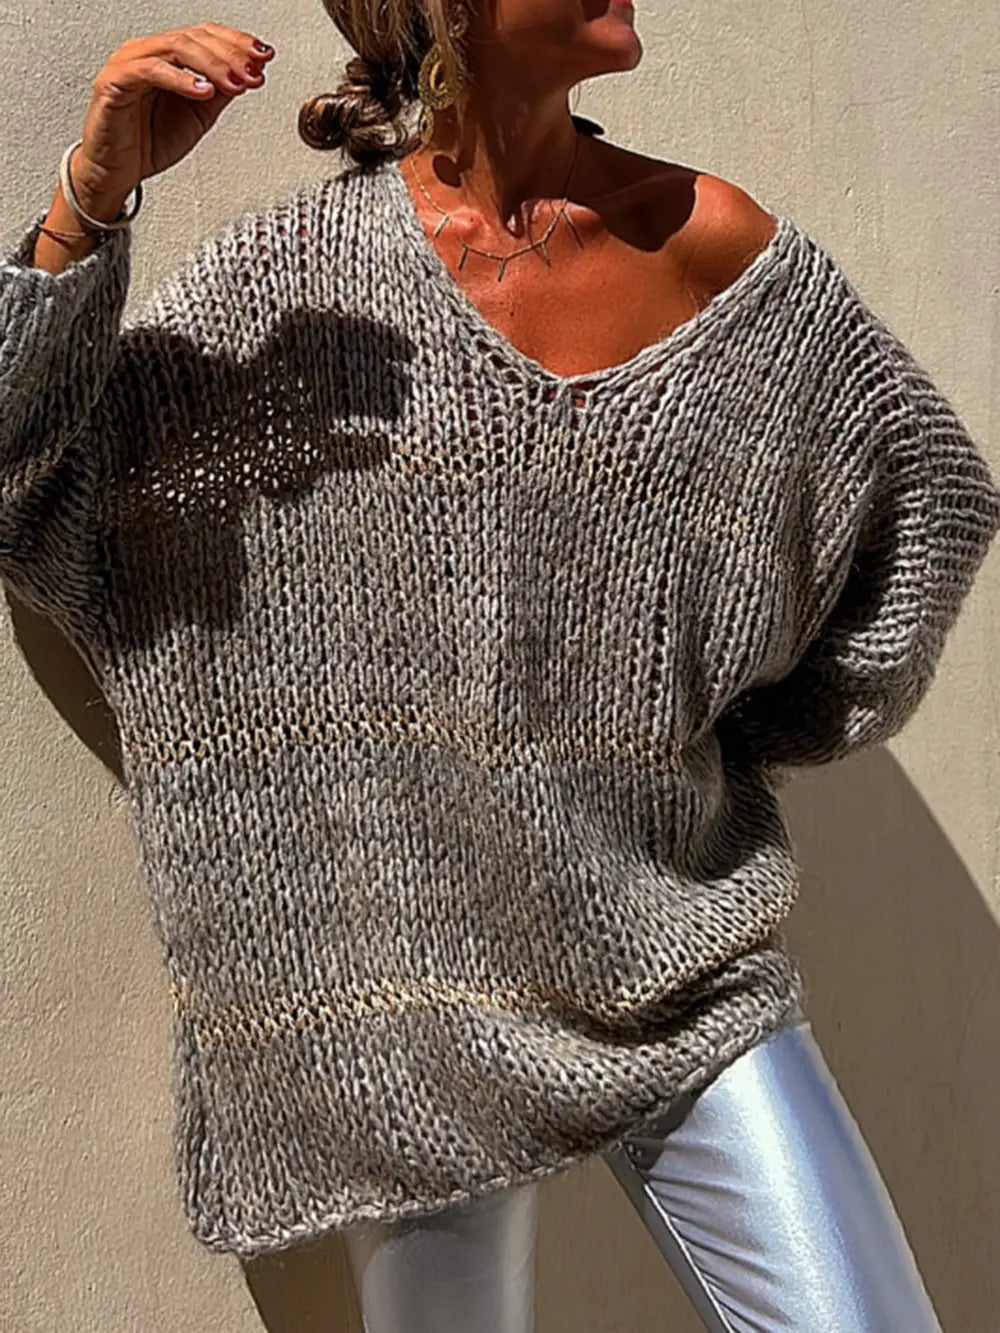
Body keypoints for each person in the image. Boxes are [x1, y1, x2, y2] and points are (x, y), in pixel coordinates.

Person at [3, 7, 997, 1330]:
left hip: (673, 957)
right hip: (401, 1007)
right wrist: (93, 192)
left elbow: (926, 497)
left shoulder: (714, 249)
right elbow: (31, 483)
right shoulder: (293, 294)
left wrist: (727, 727)